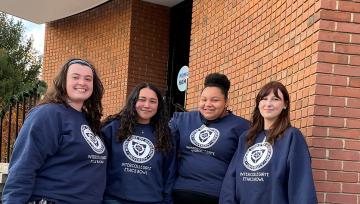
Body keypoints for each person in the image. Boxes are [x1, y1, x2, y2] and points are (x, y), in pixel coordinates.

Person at [2, 58, 107, 204]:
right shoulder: (47, 114)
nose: (82, 82)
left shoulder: (89, 120)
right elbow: (23, 167)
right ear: (63, 81)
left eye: (88, 79)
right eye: (75, 77)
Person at [219, 81, 318, 204]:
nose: (268, 104)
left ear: (285, 105)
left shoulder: (291, 137)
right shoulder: (246, 137)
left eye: (275, 99)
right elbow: (231, 180)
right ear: (258, 103)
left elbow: (301, 184)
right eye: (264, 99)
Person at [169, 73, 249, 204]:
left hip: (216, 196)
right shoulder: (182, 120)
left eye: (215, 100)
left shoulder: (242, 127)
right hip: (180, 193)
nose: (208, 104)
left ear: (226, 102)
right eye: (203, 99)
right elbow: (160, 143)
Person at [101, 82, 176, 204]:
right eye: (142, 99)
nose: (147, 105)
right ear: (133, 101)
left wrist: (167, 200)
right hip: (114, 199)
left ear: (159, 106)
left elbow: (169, 172)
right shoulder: (113, 128)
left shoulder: (166, 135)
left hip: (152, 200)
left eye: (152, 101)